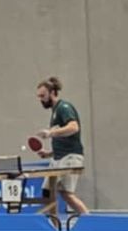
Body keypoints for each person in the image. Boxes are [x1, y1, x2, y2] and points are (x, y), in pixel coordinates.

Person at [32, 76, 89, 222]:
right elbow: (64, 139)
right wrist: (48, 153)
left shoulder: (64, 108)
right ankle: (54, 225)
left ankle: (91, 220)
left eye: (43, 96)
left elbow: (74, 127)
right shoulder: (55, 112)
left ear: (52, 93)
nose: (41, 100)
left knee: (66, 194)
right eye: (39, 97)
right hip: (59, 157)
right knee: (47, 192)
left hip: (70, 157)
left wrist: (50, 133)